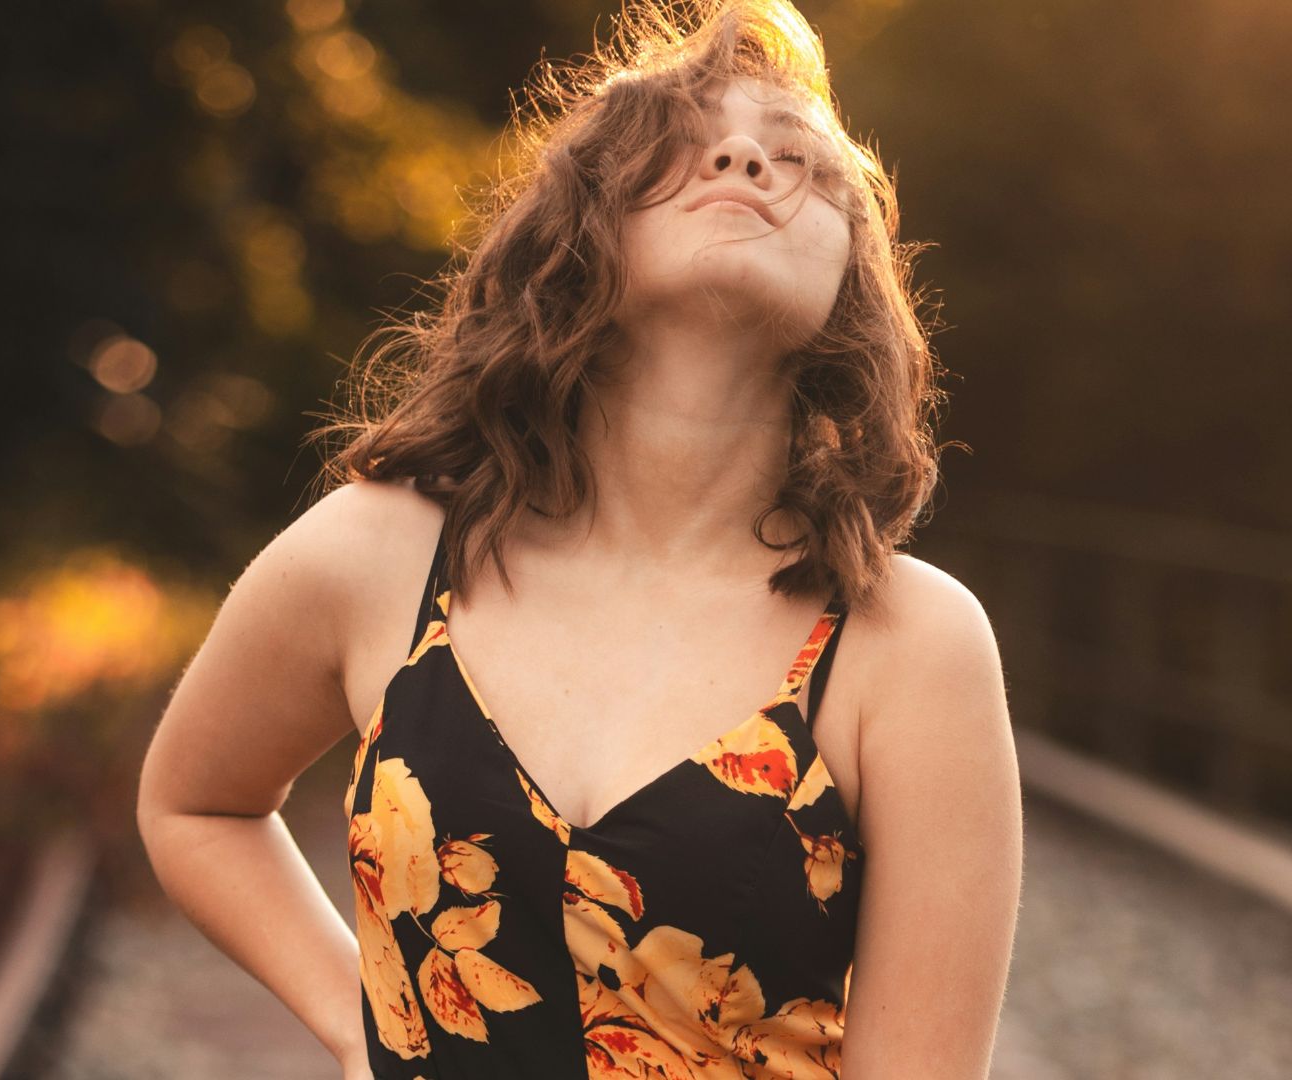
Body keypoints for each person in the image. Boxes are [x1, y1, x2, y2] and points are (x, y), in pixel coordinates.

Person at [135, 0, 1022, 1076]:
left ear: (852, 282)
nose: (745, 157)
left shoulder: (908, 643)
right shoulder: (382, 553)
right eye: (686, 144)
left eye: (801, 160)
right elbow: (195, 804)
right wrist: (359, 1027)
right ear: (579, 233)